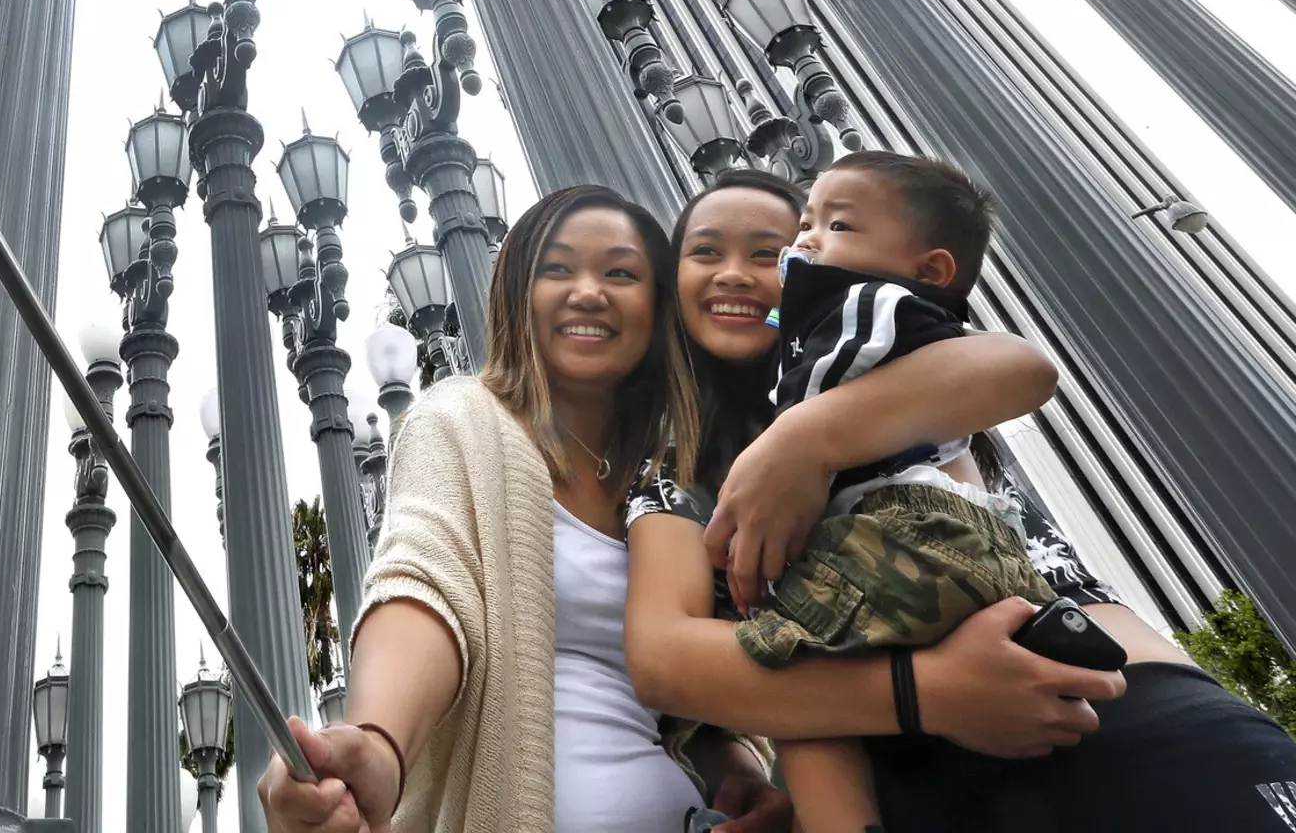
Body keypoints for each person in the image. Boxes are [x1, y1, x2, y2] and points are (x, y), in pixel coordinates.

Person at [258, 184, 1119, 833]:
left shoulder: (676, 479)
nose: (588, 291)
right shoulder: (467, 421)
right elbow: (423, 586)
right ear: (515, 296)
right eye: (556, 269)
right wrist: (378, 737)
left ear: (655, 308)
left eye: (621, 273)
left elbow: (687, 686)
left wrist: (737, 772)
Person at [629, 166, 1296, 832]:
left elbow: (1020, 366)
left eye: (777, 251)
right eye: (705, 251)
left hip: (1113, 710)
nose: (740, 274)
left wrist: (804, 439)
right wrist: (921, 694)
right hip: (915, 785)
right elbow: (669, 660)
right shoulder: (669, 471)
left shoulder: (899, 357)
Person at [718, 152, 1060, 833]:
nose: (804, 241)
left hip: (906, 530)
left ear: (930, 270)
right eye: (805, 225)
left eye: (836, 225)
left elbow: (1015, 366)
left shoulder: (868, 305)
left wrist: (794, 440)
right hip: (941, 543)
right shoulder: (856, 324)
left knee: (790, 665)